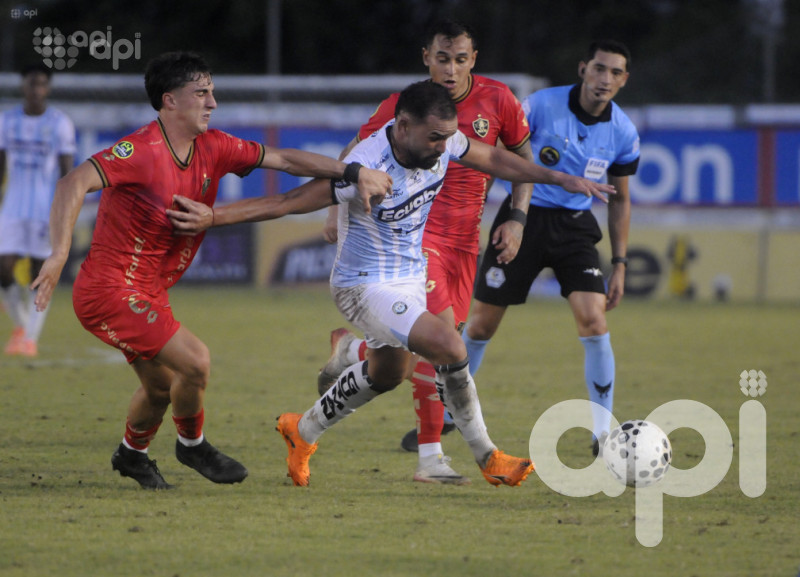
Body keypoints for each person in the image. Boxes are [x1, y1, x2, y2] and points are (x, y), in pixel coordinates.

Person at [168, 80, 615, 487]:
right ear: (402, 126)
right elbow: (287, 201)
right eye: (435, 138)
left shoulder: (443, 140)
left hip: (408, 278)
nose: (444, 148)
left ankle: (300, 431)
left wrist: (558, 177)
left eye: (448, 137)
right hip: (363, 284)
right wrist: (213, 216)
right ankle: (487, 455)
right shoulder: (366, 167)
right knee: (451, 346)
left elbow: (496, 158)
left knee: (387, 375)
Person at [30, 51, 392, 491]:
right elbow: (73, 182)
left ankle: (132, 454)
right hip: (109, 290)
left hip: (149, 291)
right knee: (196, 362)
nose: (212, 102)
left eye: (212, 92)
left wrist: (352, 170)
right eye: (201, 93)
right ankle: (192, 444)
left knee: (162, 388)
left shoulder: (215, 146)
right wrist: (57, 253)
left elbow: (282, 160)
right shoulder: (141, 150)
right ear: (169, 101)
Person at [318, 20, 534, 484]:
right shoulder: (406, 107)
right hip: (419, 239)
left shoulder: (499, 101)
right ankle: (433, 458)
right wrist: (336, 210)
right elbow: (354, 152)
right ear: (426, 58)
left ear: (473, 59)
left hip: (465, 242)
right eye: (442, 58)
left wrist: (517, 217)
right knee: (440, 343)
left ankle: (350, 352)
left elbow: (519, 161)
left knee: (409, 355)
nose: (451, 69)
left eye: (460, 59)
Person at [462, 40, 639, 456]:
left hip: (575, 227)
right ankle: (451, 416)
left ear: (624, 80)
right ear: (583, 69)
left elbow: (620, 199)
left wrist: (620, 263)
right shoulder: (540, 105)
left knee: (593, 319)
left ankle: (602, 432)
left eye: (615, 72)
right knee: (482, 325)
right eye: (599, 68)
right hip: (522, 217)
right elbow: (498, 157)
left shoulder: (624, 132)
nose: (605, 79)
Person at [0, 63, 75, 357]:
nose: (36, 89)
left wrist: (64, 208)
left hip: (45, 208)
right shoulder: (6, 121)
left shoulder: (59, 123)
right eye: (31, 83)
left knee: (38, 272)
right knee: (3, 268)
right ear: (24, 86)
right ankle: (22, 326)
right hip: (13, 207)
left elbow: (66, 170)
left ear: (48, 88)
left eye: (41, 84)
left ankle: (29, 338)